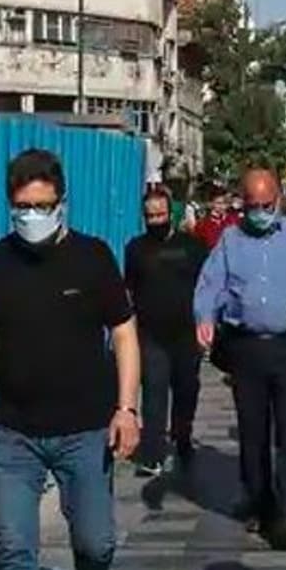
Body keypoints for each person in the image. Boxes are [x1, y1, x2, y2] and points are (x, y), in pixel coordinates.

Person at [0, 149, 141, 570]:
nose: (32, 216)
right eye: (22, 207)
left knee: (95, 539)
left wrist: (127, 408)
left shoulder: (93, 258)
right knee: (14, 546)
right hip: (12, 431)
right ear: (9, 205)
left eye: (42, 206)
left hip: (84, 428)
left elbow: (124, 333)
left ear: (62, 204)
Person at [193, 168, 286, 551]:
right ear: (242, 204)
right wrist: (205, 317)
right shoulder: (231, 240)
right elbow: (210, 283)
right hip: (247, 348)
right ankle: (260, 503)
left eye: (267, 204)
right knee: (253, 431)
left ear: (279, 199)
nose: (261, 212)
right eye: (253, 206)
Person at [125, 186, 209, 476]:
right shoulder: (136, 249)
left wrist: (207, 323)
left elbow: (206, 287)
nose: (156, 221)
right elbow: (130, 288)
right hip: (152, 334)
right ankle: (153, 454)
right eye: (150, 216)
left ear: (170, 213)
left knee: (186, 389)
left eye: (160, 214)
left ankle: (183, 437)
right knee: (154, 393)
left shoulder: (193, 247)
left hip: (186, 333)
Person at [192, 183, 239, 250]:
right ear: (211, 203)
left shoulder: (233, 219)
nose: (222, 206)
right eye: (219, 203)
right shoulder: (203, 224)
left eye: (225, 203)